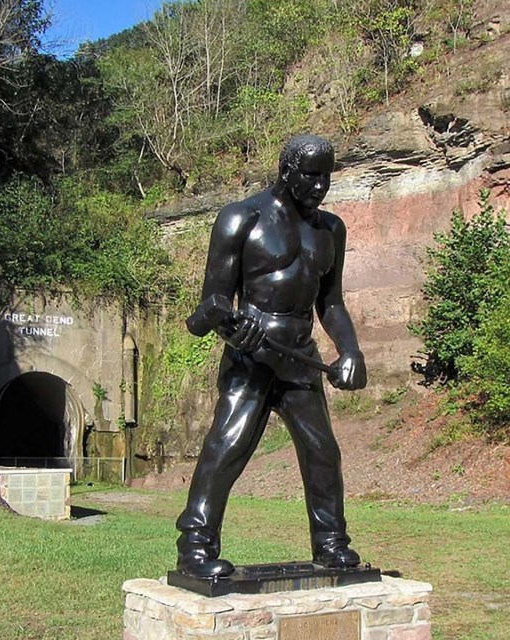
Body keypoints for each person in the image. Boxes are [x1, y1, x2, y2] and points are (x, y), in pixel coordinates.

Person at [175, 134, 367, 579]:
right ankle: (196, 547)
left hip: (300, 355)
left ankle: (332, 544)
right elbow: (212, 304)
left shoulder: (330, 230)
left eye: (327, 176)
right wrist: (232, 328)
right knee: (227, 447)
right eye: (312, 176)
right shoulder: (241, 218)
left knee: (323, 452)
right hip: (252, 356)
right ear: (287, 171)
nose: (321, 186)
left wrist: (350, 350)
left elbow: (331, 303)